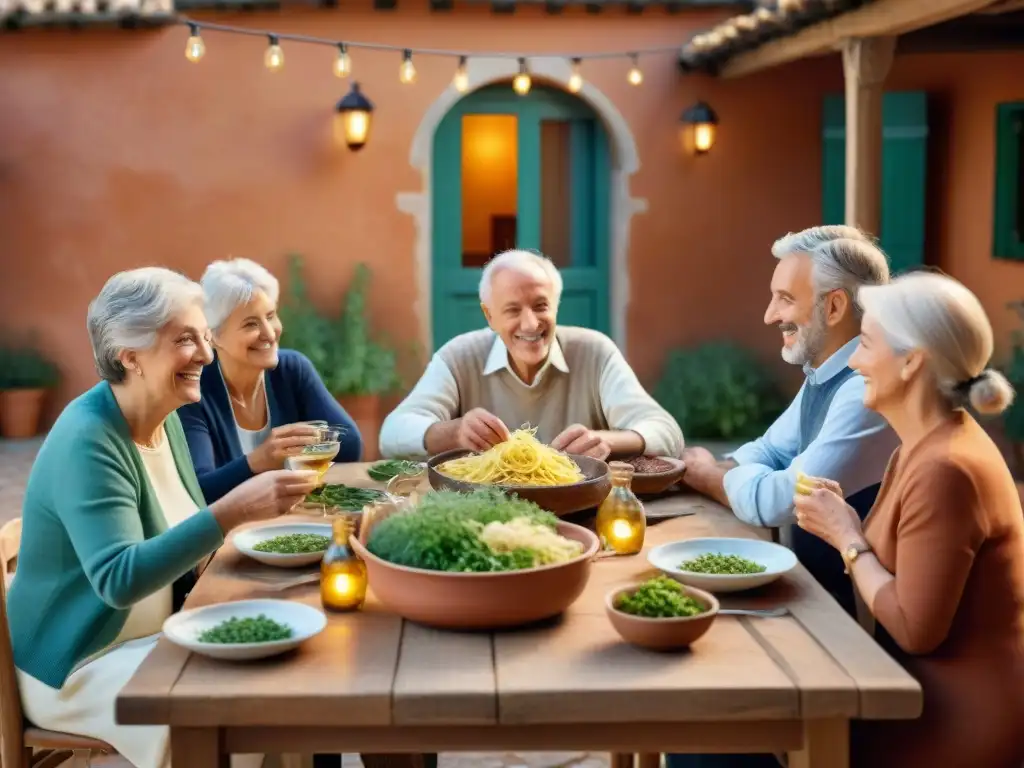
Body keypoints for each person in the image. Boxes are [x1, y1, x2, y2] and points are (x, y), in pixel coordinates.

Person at [6, 268, 321, 768]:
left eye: (203, 336)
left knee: (282, 682)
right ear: (129, 356)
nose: (205, 353)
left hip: (152, 637)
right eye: (184, 339)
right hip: (79, 662)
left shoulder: (165, 416)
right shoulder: (89, 438)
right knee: (233, 709)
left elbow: (188, 539)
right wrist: (232, 510)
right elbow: (118, 579)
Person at [794, 272, 1024, 768]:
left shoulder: (947, 468)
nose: (853, 361)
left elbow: (916, 630)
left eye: (867, 345)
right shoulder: (922, 445)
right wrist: (846, 524)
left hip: (950, 726)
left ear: (911, 362)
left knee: (723, 741)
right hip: (903, 692)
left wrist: (846, 537)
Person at [680, 227, 898, 616]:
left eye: (785, 299)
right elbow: (769, 449)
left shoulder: (864, 388)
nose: (770, 316)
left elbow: (782, 499)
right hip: (813, 594)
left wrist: (707, 475)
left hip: (858, 623)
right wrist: (737, 472)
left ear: (834, 308)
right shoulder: (827, 372)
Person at [379, 249, 683, 460]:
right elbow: (391, 434)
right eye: (512, 310)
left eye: (541, 306)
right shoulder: (459, 356)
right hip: (482, 510)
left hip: (580, 509)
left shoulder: (595, 351)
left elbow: (667, 432)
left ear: (556, 305)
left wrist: (606, 440)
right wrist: (454, 433)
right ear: (489, 316)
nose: (530, 324)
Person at [179, 258, 362, 503]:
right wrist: (259, 461)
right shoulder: (195, 389)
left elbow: (350, 443)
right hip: (229, 534)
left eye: (271, 316)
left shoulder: (292, 369)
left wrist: (297, 449)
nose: (269, 332)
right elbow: (200, 489)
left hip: (290, 518)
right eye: (251, 324)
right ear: (213, 337)